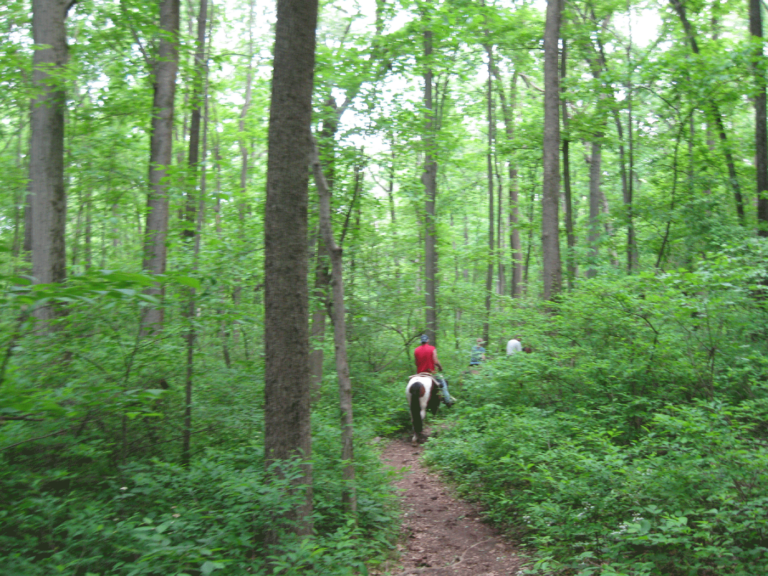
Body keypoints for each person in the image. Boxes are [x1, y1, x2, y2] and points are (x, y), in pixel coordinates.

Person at [414, 334, 454, 406]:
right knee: (443, 383)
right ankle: (448, 401)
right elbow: (435, 361)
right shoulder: (432, 348)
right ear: (428, 341)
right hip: (431, 373)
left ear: (421, 342)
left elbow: (416, 363)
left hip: (419, 373)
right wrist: (440, 367)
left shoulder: (416, 350)